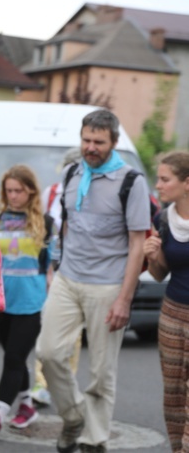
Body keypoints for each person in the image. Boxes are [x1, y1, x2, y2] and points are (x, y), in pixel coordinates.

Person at [36, 110, 150, 453]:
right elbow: (67, 226)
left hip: (108, 286)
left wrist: (124, 299)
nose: (90, 147)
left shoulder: (131, 182)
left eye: (98, 142)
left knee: (102, 370)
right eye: (86, 140)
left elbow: (137, 245)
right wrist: (56, 268)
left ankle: (94, 438)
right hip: (69, 279)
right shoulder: (72, 173)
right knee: (49, 353)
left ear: (113, 143)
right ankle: (73, 417)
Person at [0, 165, 54, 438]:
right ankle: (26, 406)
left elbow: (51, 265)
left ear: (30, 191)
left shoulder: (45, 223)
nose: (13, 196)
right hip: (1, 301)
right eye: (9, 191)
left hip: (31, 302)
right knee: (16, 357)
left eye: (18, 191)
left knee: (13, 357)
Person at [142, 151, 189, 453]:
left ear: (187, 183)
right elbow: (160, 274)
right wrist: (153, 256)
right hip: (172, 314)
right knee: (173, 393)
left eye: (164, 179)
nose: (158, 185)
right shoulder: (163, 219)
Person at [32, 147, 83, 408]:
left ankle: (63, 383)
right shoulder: (51, 192)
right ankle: (42, 382)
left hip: (75, 267)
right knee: (47, 326)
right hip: (51, 264)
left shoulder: (88, 194)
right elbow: (40, 227)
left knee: (72, 333)